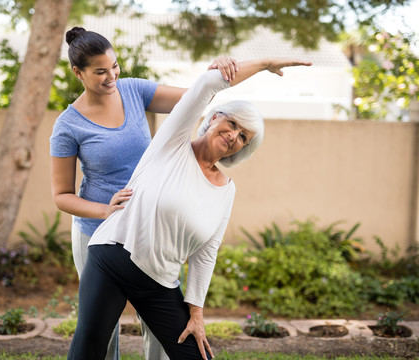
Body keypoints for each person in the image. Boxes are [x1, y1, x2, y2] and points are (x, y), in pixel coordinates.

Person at [66, 57, 312, 360]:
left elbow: (207, 252)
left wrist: (196, 313)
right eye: (232, 123)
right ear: (213, 118)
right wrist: (264, 64)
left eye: (244, 137)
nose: (234, 135)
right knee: (89, 350)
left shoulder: (226, 189)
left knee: (195, 356)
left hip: (159, 281)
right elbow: (206, 86)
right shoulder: (174, 141)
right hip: (113, 258)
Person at [50, 27, 238, 360]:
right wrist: (104, 210)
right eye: (100, 71)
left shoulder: (133, 90)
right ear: (78, 73)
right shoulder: (68, 125)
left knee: (162, 334)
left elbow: (198, 98)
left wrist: (216, 70)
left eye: (115, 66)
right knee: (101, 337)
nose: (112, 76)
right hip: (96, 234)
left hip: (153, 230)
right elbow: (62, 194)